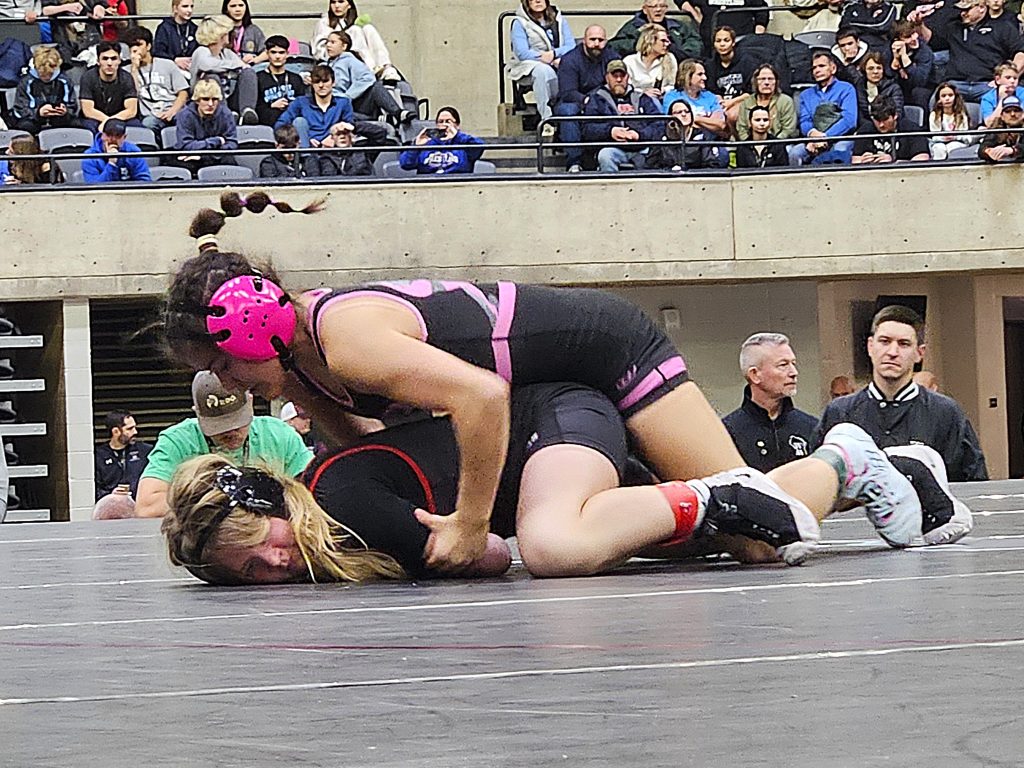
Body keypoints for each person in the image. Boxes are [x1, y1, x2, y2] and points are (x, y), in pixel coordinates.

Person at [160, 189, 924, 572]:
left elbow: (480, 398)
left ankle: (845, 461)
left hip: (601, 352)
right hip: (552, 398)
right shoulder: (302, 368)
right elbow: (380, 446)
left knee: (752, 539)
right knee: (717, 533)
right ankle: (883, 476)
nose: (226, 380)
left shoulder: (346, 339)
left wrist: (467, 524)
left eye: (220, 361)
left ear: (249, 327)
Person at [162, 382, 941, 585]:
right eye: (248, 573)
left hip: (551, 423)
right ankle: (859, 465)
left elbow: (494, 555)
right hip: (550, 452)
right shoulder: (318, 526)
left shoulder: (346, 510)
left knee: (550, 545)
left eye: (257, 544)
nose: (271, 564)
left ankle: (722, 494)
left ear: (268, 502)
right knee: (759, 550)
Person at [813, 304, 989, 483]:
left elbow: (974, 484)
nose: (892, 352)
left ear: (920, 353)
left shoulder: (945, 413)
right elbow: (818, 481)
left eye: (904, 344)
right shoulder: (840, 413)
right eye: (885, 341)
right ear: (870, 346)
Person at [136, 370, 313, 518]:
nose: (230, 432)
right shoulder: (177, 440)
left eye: (238, 421)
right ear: (197, 414)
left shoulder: (280, 434)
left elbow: (315, 490)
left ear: (250, 402)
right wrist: (229, 500)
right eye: (218, 425)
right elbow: (147, 507)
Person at [722, 333, 817, 473]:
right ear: (754, 374)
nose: (794, 372)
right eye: (783, 365)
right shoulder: (728, 433)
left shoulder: (812, 428)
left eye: (794, 364)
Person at [909, 0, 1024, 102]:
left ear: (981, 8)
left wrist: (1008, 78)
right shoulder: (954, 27)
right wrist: (919, 25)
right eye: (961, 10)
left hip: (988, 84)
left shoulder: (1003, 27)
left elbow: (1020, 53)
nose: (963, 13)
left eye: (967, 9)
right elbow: (931, 40)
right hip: (956, 84)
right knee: (936, 100)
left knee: (1006, 99)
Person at [553, 24, 616, 172]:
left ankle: (603, 157)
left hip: (602, 98)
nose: (596, 44)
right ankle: (574, 162)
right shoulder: (570, 60)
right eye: (592, 39)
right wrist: (587, 101)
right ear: (584, 40)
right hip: (576, 100)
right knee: (567, 111)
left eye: (600, 40)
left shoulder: (612, 56)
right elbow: (567, 92)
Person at [583, 59, 664, 172]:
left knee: (659, 153)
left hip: (642, 147)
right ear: (607, 78)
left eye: (622, 75)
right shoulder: (597, 99)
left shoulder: (641, 98)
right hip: (614, 147)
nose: (619, 79)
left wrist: (639, 135)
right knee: (605, 156)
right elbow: (588, 129)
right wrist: (611, 131)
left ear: (628, 77)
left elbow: (658, 125)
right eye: (614, 76)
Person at [506, 0, 575, 126]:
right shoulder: (519, 23)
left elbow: (571, 46)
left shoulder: (559, 19)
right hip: (527, 67)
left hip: (557, 62)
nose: (538, 1)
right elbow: (522, 53)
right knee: (543, 71)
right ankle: (547, 120)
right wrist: (545, 58)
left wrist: (554, 54)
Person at [324, 30, 409, 125]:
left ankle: (398, 113)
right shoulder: (324, 64)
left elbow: (367, 78)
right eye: (327, 42)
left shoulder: (350, 61)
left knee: (375, 87)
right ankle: (378, 120)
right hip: (333, 105)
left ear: (344, 46)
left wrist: (347, 96)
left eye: (332, 42)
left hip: (352, 103)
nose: (328, 45)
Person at [789, 50, 858, 165]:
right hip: (813, 140)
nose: (817, 70)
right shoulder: (806, 95)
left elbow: (849, 120)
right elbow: (805, 121)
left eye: (821, 66)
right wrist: (812, 135)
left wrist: (826, 137)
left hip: (841, 138)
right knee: (795, 153)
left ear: (833, 68)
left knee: (840, 149)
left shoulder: (846, 88)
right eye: (814, 68)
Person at [190, 13, 259, 124]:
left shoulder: (226, 53)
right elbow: (207, 65)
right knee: (212, 77)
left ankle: (247, 112)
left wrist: (236, 68)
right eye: (228, 32)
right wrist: (234, 67)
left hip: (229, 95)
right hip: (208, 99)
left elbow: (243, 67)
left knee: (248, 73)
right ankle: (225, 114)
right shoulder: (201, 51)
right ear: (220, 35)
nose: (231, 35)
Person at [310, 0, 399, 82]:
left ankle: (386, 66)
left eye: (341, 2)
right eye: (333, 2)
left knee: (368, 28)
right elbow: (318, 51)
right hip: (335, 59)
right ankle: (369, 70)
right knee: (355, 30)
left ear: (349, 5)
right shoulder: (324, 22)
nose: (336, 6)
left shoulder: (353, 21)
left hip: (355, 56)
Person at [125, 26, 189, 134]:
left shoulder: (167, 64)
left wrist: (172, 111)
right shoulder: (126, 71)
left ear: (149, 46)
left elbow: (183, 92)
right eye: (131, 46)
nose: (135, 49)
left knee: (186, 119)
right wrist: (134, 69)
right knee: (148, 124)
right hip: (151, 115)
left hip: (174, 109)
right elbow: (133, 95)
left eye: (139, 45)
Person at [274, 63, 353, 148]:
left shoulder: (344, 103)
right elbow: (280, 125)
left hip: (334, 148)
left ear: (333, 83)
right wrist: (304, 138)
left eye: (325, 81)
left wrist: (332, 137)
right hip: (306, 149)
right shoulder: (300, 102)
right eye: (317, 82)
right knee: (299, 121)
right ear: (311, 83)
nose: (321, 85)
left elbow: (350, 126)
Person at [11, 46, 84, 134]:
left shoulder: (64, 80)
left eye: (49, 74)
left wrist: (65, 111)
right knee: (25, 126)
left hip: (60, 118)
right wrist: (38, 112)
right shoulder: (26, 82)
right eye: (42, 74)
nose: (46, 77)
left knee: (77, 124)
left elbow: (72, 105)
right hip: (33, 120)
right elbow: (20, 109)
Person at [174, 77, 239, 174]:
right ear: (197, 100)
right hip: (191, 158)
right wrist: (217, 141)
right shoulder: (185, 115)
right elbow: (186, 145)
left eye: (215, 99)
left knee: (229, 160)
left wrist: (204, 156)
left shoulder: (226, 113)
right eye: (205, 99)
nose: (210, 104)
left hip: (213, 157)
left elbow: (232, 143)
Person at [399, 106, 484, 174]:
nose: (444, 124)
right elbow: (405, 164)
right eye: (440, 121)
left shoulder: (464, 144)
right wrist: (416, 147)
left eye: (448, 121)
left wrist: (457, 136)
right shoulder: (426, 143)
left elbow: (479, 147)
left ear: (457, 125)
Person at [610, 0, 703, 63]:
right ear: (645, 10)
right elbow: (614, 46)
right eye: (654, 6)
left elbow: (696, 48)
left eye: (662, 6)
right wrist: (642, 41)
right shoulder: (633, 27)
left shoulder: (679, 27)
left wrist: (670, 46)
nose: (658, 9)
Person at [647, 97, 727, 169]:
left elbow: (710, 163)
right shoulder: (661, 136)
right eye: (678, 112)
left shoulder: (702, 135)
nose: (684, 114)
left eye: (687, 111)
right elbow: (651, 164)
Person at [79, 41, 141, 133]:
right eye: (105, 58)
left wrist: (111, 122)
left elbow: (131, 110)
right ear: (98, 61)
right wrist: (107, 121)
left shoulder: (127, 77)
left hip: (120, 117)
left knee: (137, 127)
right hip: (95, 118)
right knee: (88, 128)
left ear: (119, 60)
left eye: (113, 58)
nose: (109, 63)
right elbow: (88, 110)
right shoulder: (88, 77)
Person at [703, 26, 754, 129]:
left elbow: (750, 93)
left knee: (731, 116)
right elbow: (712, 91)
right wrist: (721, 102)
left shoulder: (747, 61)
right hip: (721, 103)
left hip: (743, 100)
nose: (722, 44)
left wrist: (731, 102)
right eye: (718, 41)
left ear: (733, 42)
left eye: (726, 40)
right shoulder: (710, 65)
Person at [94, 409, 152, 501]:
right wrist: (110, 495)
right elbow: (93, 488)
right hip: (111, 509)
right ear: (116, 431)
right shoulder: (99, 456)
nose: (135, 432)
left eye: (135, 427)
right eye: (129, 429)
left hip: (140, 506)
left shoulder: (145, 451)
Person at [662, 58, 726, 136]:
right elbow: (677, 123)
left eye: (704, 74)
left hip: (708, 143)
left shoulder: (710, 97)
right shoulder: (672, 97)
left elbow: (720, 124)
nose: (705, 78)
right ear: (687, 76)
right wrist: (708, 121)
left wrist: (694, 118)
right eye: (700, 74)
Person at [853, 97, 930, 163]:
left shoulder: (911, 129)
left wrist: (893, 162)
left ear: (895, 116)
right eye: (877, 120)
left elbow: (922, 158)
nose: (881, 125)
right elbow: (855, 160)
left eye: (885, 119)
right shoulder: (865, 130)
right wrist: (863, 161)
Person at [735, 63, 798, 141]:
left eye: (770, 79)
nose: (767, 83)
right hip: (750, 145)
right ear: (756, 82)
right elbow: (742, 130)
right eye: (762, 79)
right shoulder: (746, 103)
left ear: (776, 82)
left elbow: (788, 130)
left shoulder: (786, 101)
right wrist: (751, 145)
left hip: (780, 144)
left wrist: (771, 146)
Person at [255, 35, 306, 127]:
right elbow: (255, 108)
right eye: (273, 52)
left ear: (287, 54)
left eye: (281, 52)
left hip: (292, 123)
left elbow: (303, 104)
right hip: (268, 122)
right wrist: (271, 106)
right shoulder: (257, 78)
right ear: (267, 54)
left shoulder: (296, 78)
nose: (277, 56)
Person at [82, 117, 152, 181]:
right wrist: (111, 164)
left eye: (118, 136)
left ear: (124, 137)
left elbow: (144, 181)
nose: (113, 139)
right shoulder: (90, 156)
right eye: (109, 135)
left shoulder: (133, 152)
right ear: (102, 135)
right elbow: (94, 188)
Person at [623, 23, 677, 105]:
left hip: (661, 101)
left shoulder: (669, 59)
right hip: (635, 101)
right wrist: (643, 93)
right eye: (663, 41)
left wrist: (663, 90)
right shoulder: (629, 61)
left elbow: (671, 85)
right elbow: (627, 88)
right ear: (650, 41)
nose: (667, 44)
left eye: (668, 40)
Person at [889, 19, 934, 109]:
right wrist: (896, 60)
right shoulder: (889, 49)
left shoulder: (925, 51)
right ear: (897, 40)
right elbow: (887, 77)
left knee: (918, 92)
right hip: (900, 88)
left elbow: (919, 81)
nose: (914, 38)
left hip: (922, 88)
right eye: (908, 36)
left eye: (914, 33)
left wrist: (905, 59)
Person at [855, 50, 904, 130]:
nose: (875, 72)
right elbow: (860, 115)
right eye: (871, 68)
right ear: (864, 70)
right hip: (868, 129)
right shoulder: (859, 88)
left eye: (879, 68)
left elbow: (898, 113)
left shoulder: (893, 88)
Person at [929, 81, 974, 160]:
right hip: (940, 142)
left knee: (952, 147)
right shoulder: (934, 115)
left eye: (950, 95)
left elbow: (965, 135)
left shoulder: (961, 114)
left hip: (958, 142)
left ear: (955, 97)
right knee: (939, 148)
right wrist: (944, 138)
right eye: (943, 96)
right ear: (939, 99)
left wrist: (954, 137)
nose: (947, 98)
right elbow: (934, 136)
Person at [153, 0, 198, 75]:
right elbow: (158, 52)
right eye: (185, 6)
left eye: (191, 6)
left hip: (191, 69)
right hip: (169, 69)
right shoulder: (164, 28)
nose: (189, 10)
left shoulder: (194, 28)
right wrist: (174, 59)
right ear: (175, 8)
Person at [979, 93, 1024, 160]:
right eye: (1008, 111)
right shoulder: (997, 129)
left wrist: (1012, 150)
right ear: (1002, 116)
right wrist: (989, 151)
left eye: (1016, 111)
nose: (1012, 114)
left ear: (1023, 114)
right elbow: (982, 149)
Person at [980, 61, 1024, 127]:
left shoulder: (1022, 93)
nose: (1012, 81)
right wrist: (1002, 100)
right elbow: (989, 124)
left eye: (1015, 78)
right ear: (998, 79)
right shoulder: (987, 98)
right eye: (1008, 77)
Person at [222, 0, 265, 65]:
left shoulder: (254, 30)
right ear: (226, 10)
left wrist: (254, 60)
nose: (238, 9)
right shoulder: (220, 30)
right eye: (233, 6)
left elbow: (266, 52)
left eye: (241, 5)